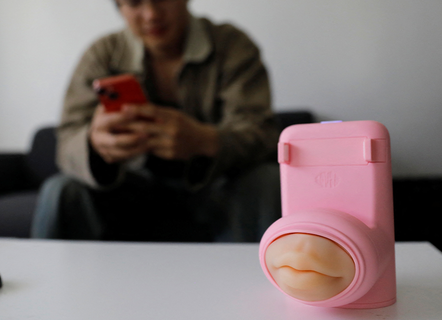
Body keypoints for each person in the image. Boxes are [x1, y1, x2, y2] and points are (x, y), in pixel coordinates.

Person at [31, 0, 280, 242]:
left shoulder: (232, 45)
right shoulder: (102, 54)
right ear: (119, 7)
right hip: (128, 191)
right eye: (134, 2)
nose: (151, 14)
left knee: (267, 180)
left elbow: (262, 132)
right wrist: (95, 146)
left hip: (217, 187)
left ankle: (266, 278)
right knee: (61, 190)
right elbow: (66, 142)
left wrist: (206, 141)